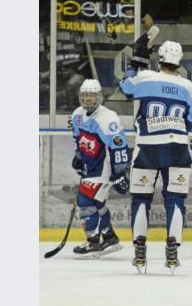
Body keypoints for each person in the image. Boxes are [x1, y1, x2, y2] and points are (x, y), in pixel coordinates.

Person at [120, 40, 192, 274]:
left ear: (160, 59)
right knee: (176, 200)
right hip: (178, 148)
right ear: (179, 61)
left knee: (141, 198)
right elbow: (191, 120)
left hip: (148, 147)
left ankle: (140, 252)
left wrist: (135, 63)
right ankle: (173, 252)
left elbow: (125, 87)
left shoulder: (146, 78)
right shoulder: (187, 85)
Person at [70, 79, 129, 259]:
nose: (88, 99)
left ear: (100, 97)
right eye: (85, 96)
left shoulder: (107, 118)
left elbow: (119, 146)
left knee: (84, 201)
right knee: (97, 203)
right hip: (90, 167)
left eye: (92, 96)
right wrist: (78, 158)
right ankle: (109, 237)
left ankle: (93, 242)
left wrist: (119, 173)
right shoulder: (77, 115)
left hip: (105, 168)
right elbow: (77, 138)